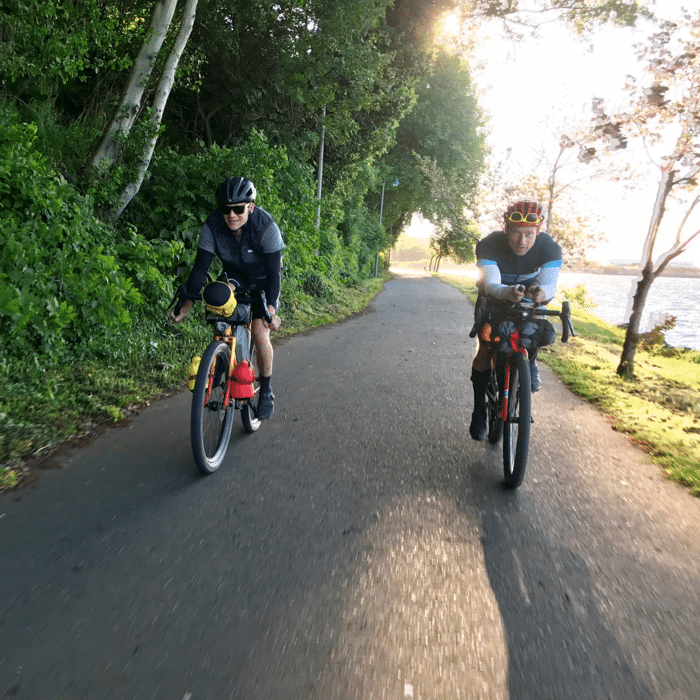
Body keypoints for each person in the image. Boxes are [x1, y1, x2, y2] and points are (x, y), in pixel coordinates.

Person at [169, 176, 284, 420]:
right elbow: (200, 268)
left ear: (250, 207)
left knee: (260, 332)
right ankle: (222, 354)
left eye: (238, 209)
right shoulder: (213, 225)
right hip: (235, 277)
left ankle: (265, 391)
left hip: (263, 280)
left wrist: (271, 310)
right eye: (226, 209)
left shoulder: (266, 226)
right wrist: (187, 304)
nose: (232, 215)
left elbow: (275, 274)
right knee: (218, 301)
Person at [469, 199, 562, 441]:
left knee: (535, 322)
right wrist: (507, 292)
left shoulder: (549, 248)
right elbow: (491, 283)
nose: (523, 241)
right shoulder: (489, 244)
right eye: (517, 233)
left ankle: (529, 362)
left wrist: (542, 293)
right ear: (506, 230)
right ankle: (479, 409)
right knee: (487, 347)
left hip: (529, 296)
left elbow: (550, 285)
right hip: (495, 295)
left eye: (529, 234)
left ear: (538, 232)